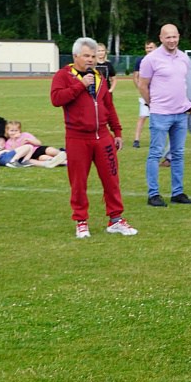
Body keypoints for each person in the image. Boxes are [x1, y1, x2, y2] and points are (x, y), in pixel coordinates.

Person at [50, 36, 137, 239]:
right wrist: (80, 85)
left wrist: (117, 132)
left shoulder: (99, 77)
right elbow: (56, 99)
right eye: (86, 56)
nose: (90, 59)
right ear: (75, 56)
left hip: (103, 137)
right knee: (79, 182)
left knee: (111, 179)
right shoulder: (63, 76)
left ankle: (116, 219)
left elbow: (108, 105)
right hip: (77, 138)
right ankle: (81, 221)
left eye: (93, 55)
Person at [138, 25, 191, 207]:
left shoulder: (184, 58)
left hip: (181, 114)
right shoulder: (151, 59)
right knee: (155, 153)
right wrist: (152, 104)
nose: (172, 40)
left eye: (174, 36)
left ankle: (177, 192)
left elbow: (186, 83)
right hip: (161, 114)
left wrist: (188, 103)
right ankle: (153, 194)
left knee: (178, 154)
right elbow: (143, 85)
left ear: (179, 37)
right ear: (161, 38)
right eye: (168, 37)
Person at [133, 40, 156, 148]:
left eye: (151, 47)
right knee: (142, 116)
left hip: (157, 94)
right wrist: (141, 89)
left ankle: (155, 140)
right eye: (147, 48)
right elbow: (136, 77)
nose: (149, 50)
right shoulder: (140, 60)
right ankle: (136, 140)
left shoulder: (159, 60)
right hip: (145, 94)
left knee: (156, 118)